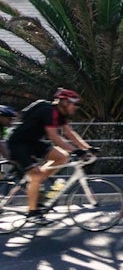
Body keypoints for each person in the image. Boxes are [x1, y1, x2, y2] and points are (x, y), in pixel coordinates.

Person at [6, 89, 94, 223]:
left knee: (62, 157)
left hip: (33, 142)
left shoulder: (60, 114)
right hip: (19, 144)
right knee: (36, 175)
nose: (76, 108)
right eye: (74, 104)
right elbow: (54, 136)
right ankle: (32, 213)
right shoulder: (48, 111)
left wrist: (88, 148)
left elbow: (70, 133)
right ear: (64, 102)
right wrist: (76, 151)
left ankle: (35, 184)